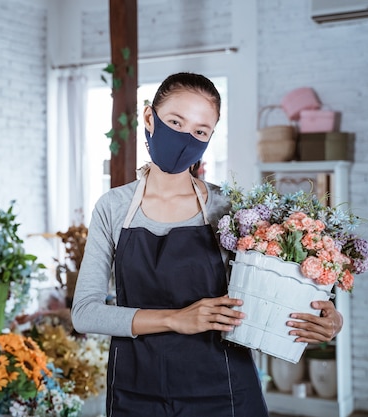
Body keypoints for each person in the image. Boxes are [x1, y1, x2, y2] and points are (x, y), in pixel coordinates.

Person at [71, 72, 343, 417]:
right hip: (136, 391)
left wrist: (326, 318)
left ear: (210, 138)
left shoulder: (229, 209)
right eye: (175, 122)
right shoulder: (113, 207)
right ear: (149, 118)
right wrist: (175, 319)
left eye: (200, 132)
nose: (185, 138)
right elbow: (84, 313)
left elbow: (275, 293)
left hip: (224, 388)